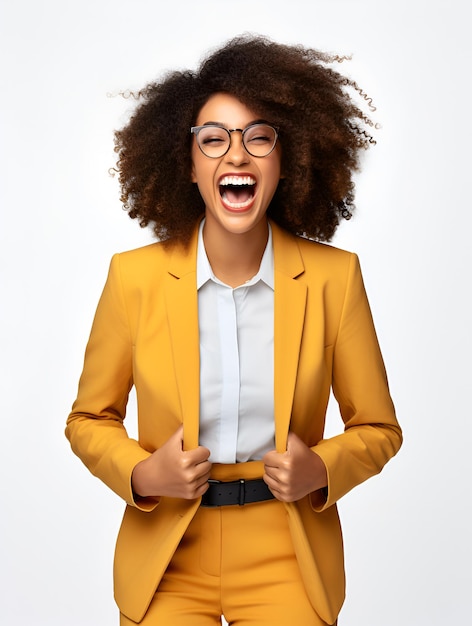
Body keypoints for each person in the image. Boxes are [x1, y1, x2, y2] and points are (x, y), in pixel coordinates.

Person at [66, 34, 402, 626]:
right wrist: (143, 473)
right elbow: (88, 419)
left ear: (285, 159)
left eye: (259, 137)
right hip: (169, 551)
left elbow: (378, 428)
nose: (236, 156)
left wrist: (320, 468)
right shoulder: (134, 278)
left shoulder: (334, 279)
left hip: (287, 551)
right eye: (214, 139)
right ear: (189, 164)